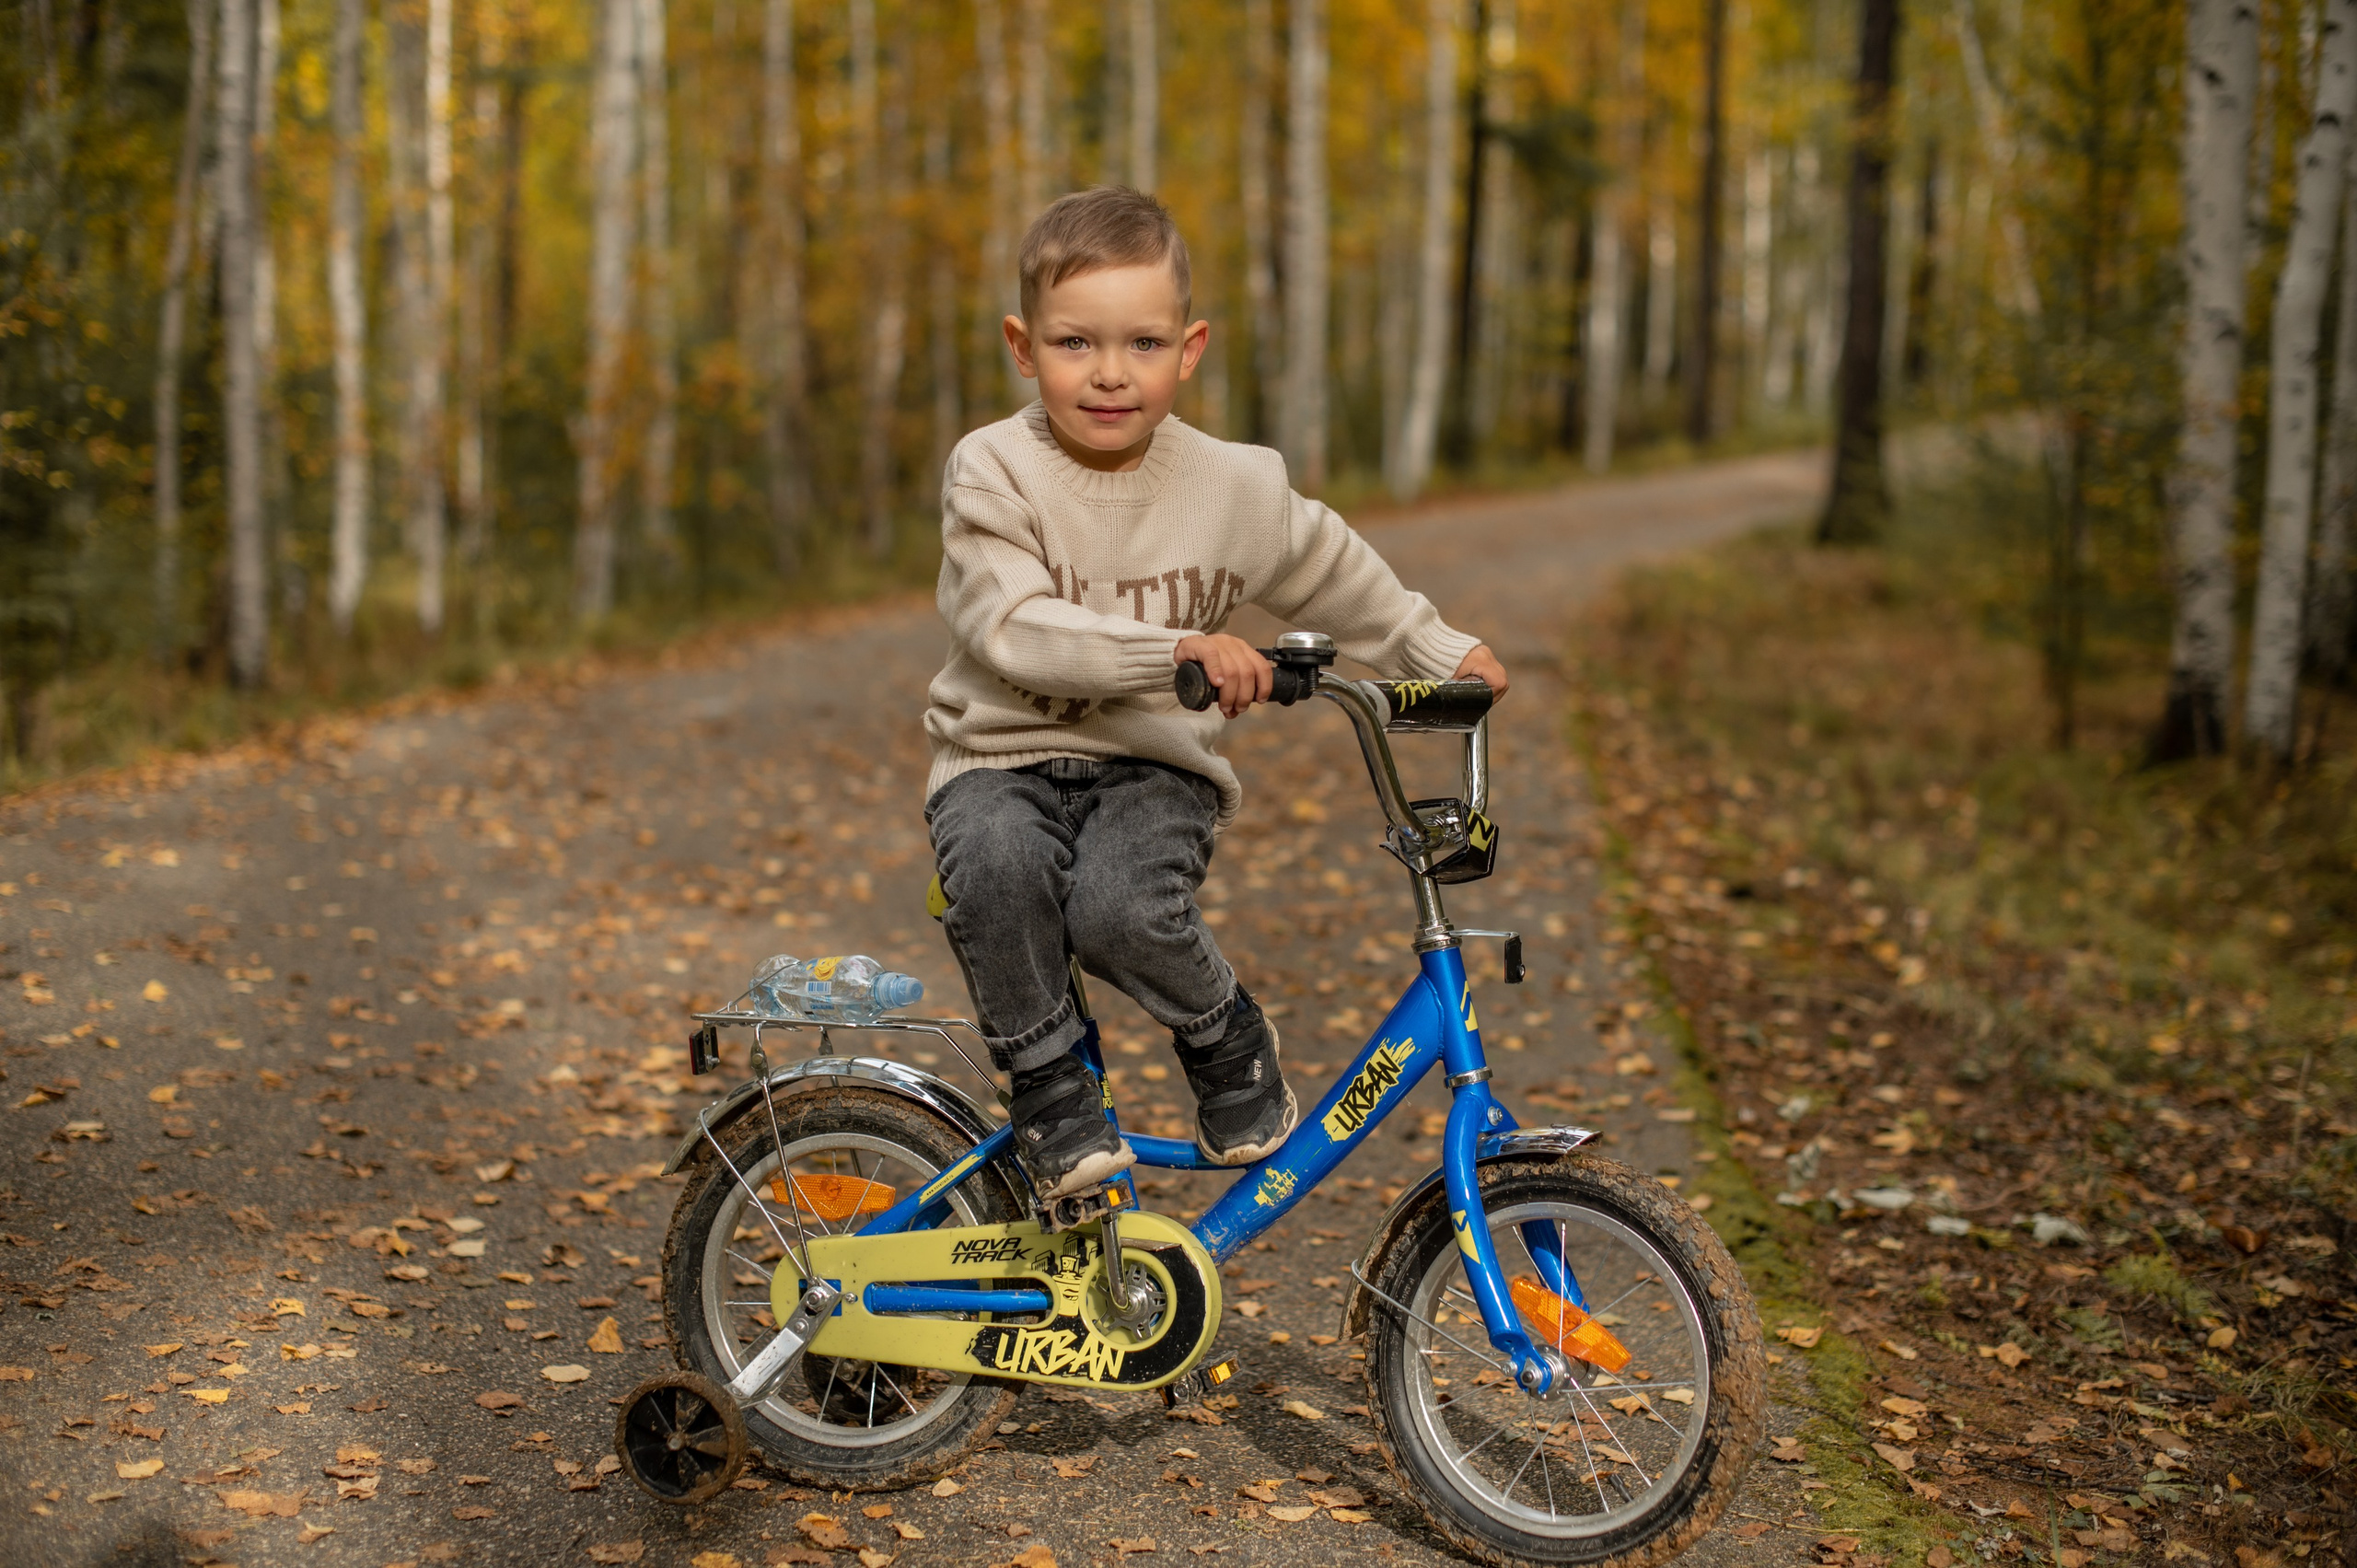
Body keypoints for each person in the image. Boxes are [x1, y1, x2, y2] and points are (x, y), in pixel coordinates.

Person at [923, 185, 1509, 1200]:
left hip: (1154, 762)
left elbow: (1332, 567)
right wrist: (1178, 649)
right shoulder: (994, 470)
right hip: (1000, 754)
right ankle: (1049, 1083)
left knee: (1118, 903)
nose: (1110, 374)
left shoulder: (1234, 484)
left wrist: (1436, 646)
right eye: (1075, 344)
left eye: (1142, 344)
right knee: (999, 860)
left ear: (1188, 349)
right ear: (1024, 347)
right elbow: (1013, 629)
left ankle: (1223, 1032)